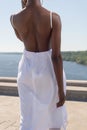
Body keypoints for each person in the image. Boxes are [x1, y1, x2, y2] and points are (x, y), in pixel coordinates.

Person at [10, 0, 67, 130]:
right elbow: (56, 57)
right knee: (53, 118)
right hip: (48, 71)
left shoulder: (14, 19)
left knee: (29, 117)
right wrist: (61, 91)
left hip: (26, 72)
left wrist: (23, 6)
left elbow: (22, 38)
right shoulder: (53, 18)